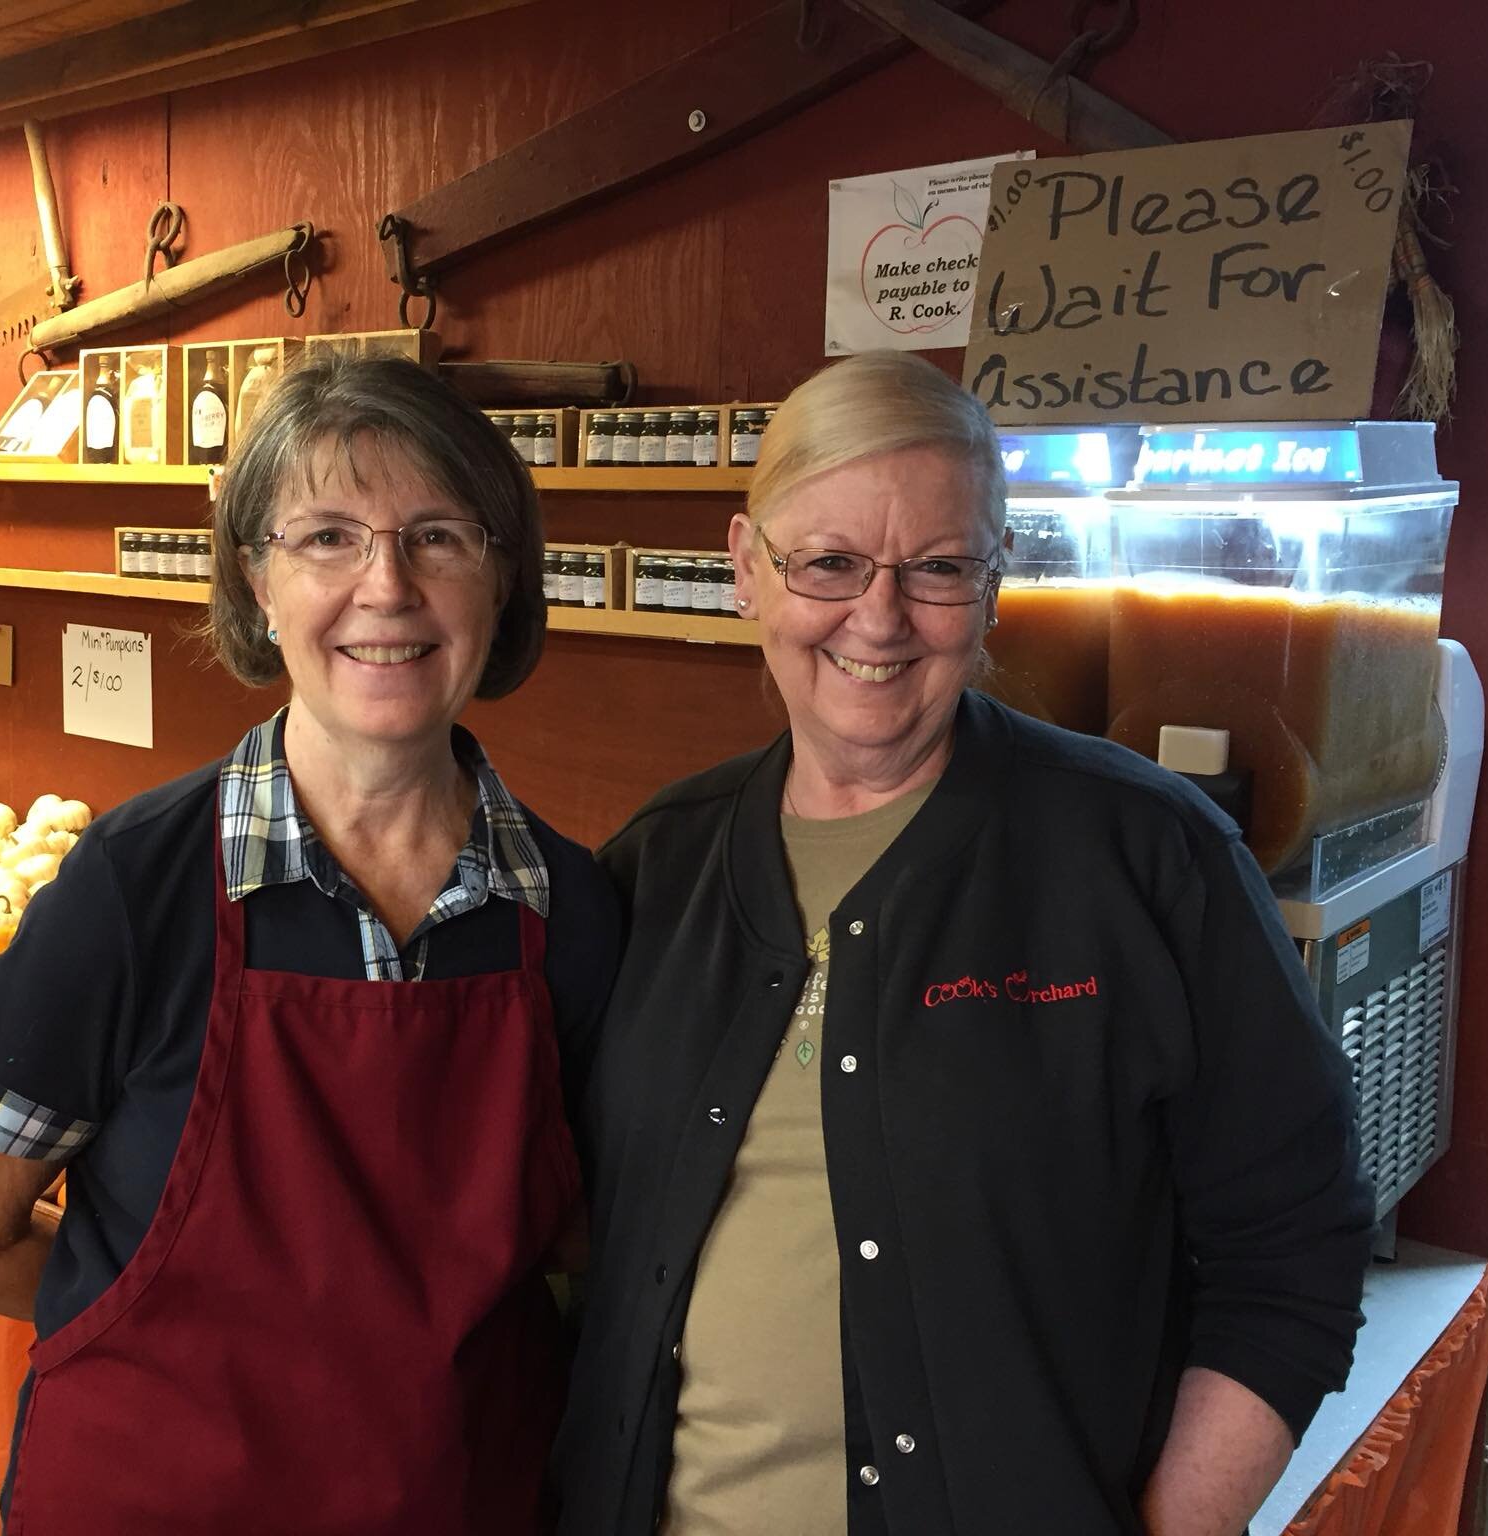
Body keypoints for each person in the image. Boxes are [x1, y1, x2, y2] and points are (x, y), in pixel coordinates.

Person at [554, 351, 1374, 1536]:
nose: (876, 618)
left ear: (995, 584)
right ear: (746, 572)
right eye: (828, 563)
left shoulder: (1145, 859)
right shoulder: (652, 866)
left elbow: (1291, 1250)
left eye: (935, 568)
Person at [0, 353, 618, 1533]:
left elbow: (589, 1242)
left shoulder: (572, 915)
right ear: (255, 582)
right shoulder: (133, 890)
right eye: (326, 536)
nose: (386, 587)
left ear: (502, 580)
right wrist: (155, 1324)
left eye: (438, 536)